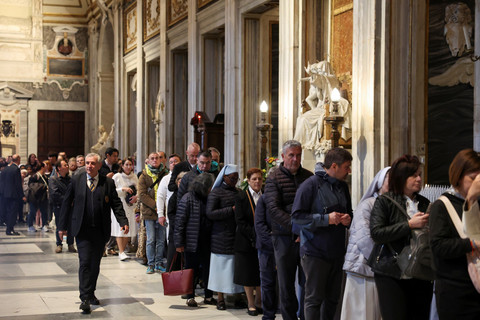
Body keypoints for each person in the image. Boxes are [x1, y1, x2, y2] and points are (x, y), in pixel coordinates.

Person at [58, 153, 129, 314]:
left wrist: (123, 222)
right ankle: (84, 298)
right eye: (87, 163)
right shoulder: (77, 180)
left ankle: (91, 292)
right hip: (82, 229)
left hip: (100, 230)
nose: (89, 166)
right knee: (84, 262)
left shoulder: (108, 183)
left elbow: (116, 204)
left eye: (92, 163)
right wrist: (61, 227)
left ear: (98, 166)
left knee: (94, 264)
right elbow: (66, 203)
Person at [292, 148, 353, 320]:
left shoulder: (342, 186)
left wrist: (349, 218)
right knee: (314, 299)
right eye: (347, 167)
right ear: (334, 166)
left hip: (336, 251)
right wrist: (326, 219)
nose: (349, 171)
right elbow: (297, 218)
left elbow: (349, 212)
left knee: (333, 299)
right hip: (314, 251)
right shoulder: (310, 185)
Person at [370, 154, 432, 320]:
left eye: (420, 174)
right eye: (414, 175)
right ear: (401, 178)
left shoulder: (425, 203)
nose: (419, 179)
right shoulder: (385, 201)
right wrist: (409, 225)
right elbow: (376, 233)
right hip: (391, 270)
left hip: (421, 270)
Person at [264, 140, 313, 320]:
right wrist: (297, 229)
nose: (295, 159)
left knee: (308, 282)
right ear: (283, 156)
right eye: (291, 155)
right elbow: (274, 209)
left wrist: (305, 230)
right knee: (286, 284)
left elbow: (314, 205)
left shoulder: (309, 177)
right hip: (283, 237)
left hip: (307, 237)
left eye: (298, 155)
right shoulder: (273, 178)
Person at [429, 149, 480, 319]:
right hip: (455, 290)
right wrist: (472, 244)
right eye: (473, 179)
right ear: (458, 176)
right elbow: (438, 246)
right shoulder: (442, 205)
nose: (477, 184)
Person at [341, 167, 390, 320]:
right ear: (380, 182)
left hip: (381, 270)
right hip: (363, 268)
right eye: (390, 178)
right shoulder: (368, 204)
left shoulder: (393, 204)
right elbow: (364, 239)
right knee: (362, 314)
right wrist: (382, 261)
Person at [175, 172, 216, 308]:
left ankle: (208, 296)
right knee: (191, 270)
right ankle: (190, 296)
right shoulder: (188, 198)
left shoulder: (208, 198)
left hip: (207, 240)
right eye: (210, 186)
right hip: (192, 241)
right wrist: (179, 243)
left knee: (208, 269)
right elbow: (180, 222)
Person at [206, 164, 244, 310]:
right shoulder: (216, 193)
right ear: (225, 177)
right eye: (232, 178)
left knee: (236, 268)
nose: (235, 180)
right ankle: (220, 298)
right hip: (220, 235)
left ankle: (238, 296)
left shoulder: (239, 192)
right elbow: (210, 213)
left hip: (236, 235)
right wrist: (231, 210)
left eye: (236, 178)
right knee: (221, 269)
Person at [234, 168, 263, 316]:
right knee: (248, 273)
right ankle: (250, 303)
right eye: (254, 179)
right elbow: (240, 220)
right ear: (248, 181)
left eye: (259, 179)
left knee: (260, 271)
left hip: (263, 241)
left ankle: (259, 301)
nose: (257, 182)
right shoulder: (241, 197)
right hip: (246, 240)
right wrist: (254, 235)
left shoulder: (265, 196)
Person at [138, 152, 168, 274]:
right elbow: (142, 194)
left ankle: (159, 262)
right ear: (148, 161)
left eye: (157, 158)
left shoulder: (165, 174)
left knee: (161, 239)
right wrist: (156, 205)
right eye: (152, 158)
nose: (155, 160)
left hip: (162, 212)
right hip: (149, 211)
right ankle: (150, 263)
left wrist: (161, 207)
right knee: (151, 239)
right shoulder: (144, 175)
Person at [156, 154, 181, 269]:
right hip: (171, 217)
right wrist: (160, 214)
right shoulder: (166, 179)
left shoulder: (186, 177)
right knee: (171, 243)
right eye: (171, 162)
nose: (174, 163)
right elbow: (160, 197)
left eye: (176, 161)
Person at [254, 194, 277, 320]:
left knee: (285, 283)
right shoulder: (264, 199)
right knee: (267, 282)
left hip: (283, 245)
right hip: (266, 247)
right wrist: (272, 243)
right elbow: (259, 224)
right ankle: (268, 314)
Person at [111, 157, 138, 261]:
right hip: (120, 203)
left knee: (129, 228)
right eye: (126, 164)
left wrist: (136, 197)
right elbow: (112, 190)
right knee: (120, 228)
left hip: (131, 205)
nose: (128, 167)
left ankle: (124, 250)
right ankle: (121, 251)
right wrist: (123, 188)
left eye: (130, 165)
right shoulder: (117, 176)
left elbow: (139, 190)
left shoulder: (134, 177)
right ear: (122, 166)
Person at [49, 159, 76, 253]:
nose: (67, 167)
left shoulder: (70, 179)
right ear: (59, 168)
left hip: (70, 206)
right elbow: (54, 194)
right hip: (59, 206)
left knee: (71, 225)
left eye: (67, 165)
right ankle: (59, 244)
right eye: (65, 165)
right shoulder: (53, 179)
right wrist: (68, 200)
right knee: (59, 224)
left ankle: (71, 244)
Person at [1, 154, 24, 235]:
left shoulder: (6, 169)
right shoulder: (16, 169)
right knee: (13, 212)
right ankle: (10, 229)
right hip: (14, 194)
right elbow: (18, 184)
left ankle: (9, 229)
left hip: (5, 194)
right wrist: (22, 195)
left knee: (8, 211)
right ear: (18, 159)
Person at [28, 161, 49, 232]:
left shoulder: (45, 176)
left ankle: (43, 225)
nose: (47, 167)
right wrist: (42, 186)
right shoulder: (35, 176)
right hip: (35, 197)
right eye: (45, 166)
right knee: (33, 211)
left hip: (43, 197)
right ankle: (30, 225)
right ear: (42, 167)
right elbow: (31, 186)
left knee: (44, 211)